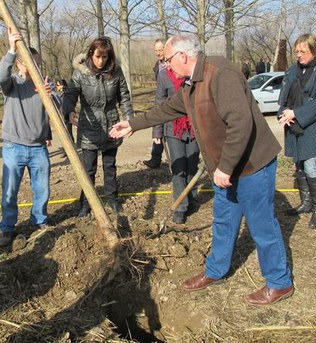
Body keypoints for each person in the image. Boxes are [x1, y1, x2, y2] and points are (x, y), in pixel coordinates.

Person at [110, 34, 293, 306]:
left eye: (169, 60)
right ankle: (216, 270)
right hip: (225, 169)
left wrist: (226, 167)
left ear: (183, 56)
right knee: (224, 221)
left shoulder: (221, 74)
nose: (166, 65)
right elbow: (169, 108)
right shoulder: (190, 84)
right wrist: (133, 124)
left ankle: (279, 283)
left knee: (261, 224)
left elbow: (241, 124)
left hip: (252, 165)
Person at [0, 29, 53, 247]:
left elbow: (54, 112)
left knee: (42, 189)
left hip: (38, 148)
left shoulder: (43, 85)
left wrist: (48, 95)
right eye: (30, 63)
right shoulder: (12, 84)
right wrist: (11, 49)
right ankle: (8, 228)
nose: (35, 67)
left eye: (38, 63)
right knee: (10, 191)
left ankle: (39, 223)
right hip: (14, 147)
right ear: (20, 63)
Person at [64, 37, 133, 217]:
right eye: (97, 57)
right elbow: (70, 94)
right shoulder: (80, 73)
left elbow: (124, 96)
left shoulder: (116, 72)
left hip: (111, 123)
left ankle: (112, 199)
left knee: (110, 166)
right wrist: (69, 110)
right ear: (90, 54)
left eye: (104, 57)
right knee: (89, 169)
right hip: (89, 126)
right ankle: (86, 204)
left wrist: (129, 120)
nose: (101, 61)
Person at [278, 34, 316, 229]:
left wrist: (296, 113)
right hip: (294, 124)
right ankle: (306, 203)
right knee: (299, 165)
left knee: (311, 166)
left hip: (313, 125)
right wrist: (283, 112)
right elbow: (284, 94)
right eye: (297, 52)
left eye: (303, 52)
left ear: (314, 51)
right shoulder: (293, 70)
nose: (299, 55)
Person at [153, 67, 199, 224]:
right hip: (173, 129)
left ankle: (191, 197)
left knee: (192, 165)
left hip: (194, 127)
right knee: (179, 166)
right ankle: (180, 206)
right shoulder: (163, 75)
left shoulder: (193, 72)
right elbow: (159, 103)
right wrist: (157, 132)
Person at [143, 39, 166, 169]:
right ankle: (155, 159)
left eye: (160, 50)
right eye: (156, 50)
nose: (158, 53)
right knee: (157, 129)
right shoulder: (157, 66)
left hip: (171, 102)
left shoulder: (171, 64)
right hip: (160, 101)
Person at [56, 79, 74, 157]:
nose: (58, 87)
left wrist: (64, 88)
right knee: (62, 134)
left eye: (58, 85)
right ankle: (66, 150)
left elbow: (71, 97)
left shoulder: (67, 93)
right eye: (57, 85)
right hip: (60, 116)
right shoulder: (58, 94)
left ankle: (70, 149)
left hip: (67, 115)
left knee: (68, 133)